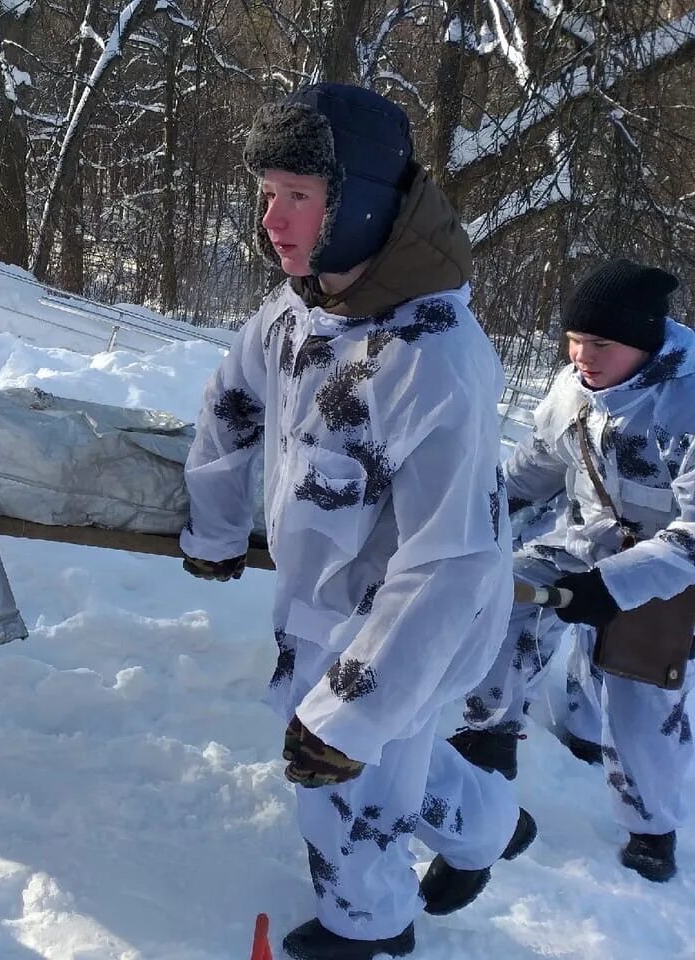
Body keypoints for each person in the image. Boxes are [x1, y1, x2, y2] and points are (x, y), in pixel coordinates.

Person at [181, 83, 532, 959]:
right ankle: (485, 823)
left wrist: (354, 707)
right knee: (379, 761)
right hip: (322, 600)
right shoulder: (298, 311)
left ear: (360, 198)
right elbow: (229, 407)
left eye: (298, 195)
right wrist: (216, 531)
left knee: (343, 780)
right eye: (266, 192)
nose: (273, 218)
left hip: (414, 624)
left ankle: (369, 927)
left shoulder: (432, 355)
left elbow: (451, 559)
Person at [449, 259, 694, 883]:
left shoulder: (687, 400)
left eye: (601, 344)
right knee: (501, 596)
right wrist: (465, 520)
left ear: (643, 341)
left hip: (667, 571)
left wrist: (612, 588)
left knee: (638, 693)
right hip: (586, 543)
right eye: (575, 340)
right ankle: (491, 731)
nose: (582, 355)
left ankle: (651, 826)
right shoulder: (570, 388)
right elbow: (530, 474)